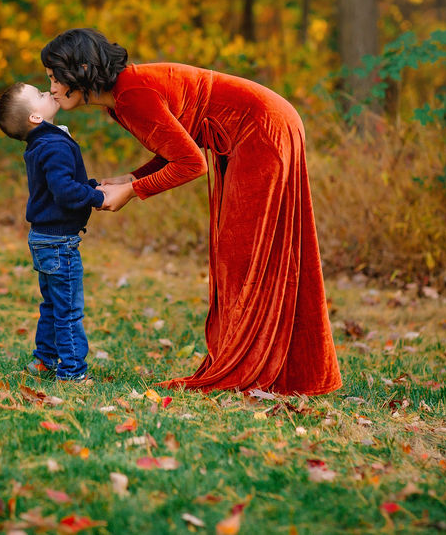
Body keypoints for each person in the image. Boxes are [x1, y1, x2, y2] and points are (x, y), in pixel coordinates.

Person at [40, 28, 342, 396]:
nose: (52, 87)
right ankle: (277, 367)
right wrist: (130, 177)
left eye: (56, 77)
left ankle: (253, 368)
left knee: (242, 255)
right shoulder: (123, 95)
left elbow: (191, 164)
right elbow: (177, 146)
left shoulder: (131, 95)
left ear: (82, 69)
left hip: (261, 129)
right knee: (251, 252)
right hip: (264, 125)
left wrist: (133, 191)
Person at [0, 82, 104, 383]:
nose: (49, 92)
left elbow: (61, 184)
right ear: (34, 118)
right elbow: (64, 191)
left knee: (53, 304)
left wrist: (92, 186)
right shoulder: (54, 145)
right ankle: (72, 372)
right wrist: (98, 198)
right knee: (67, 309)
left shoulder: (42, 143)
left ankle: (44, 361)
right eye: (41, 95)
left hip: (44, 238)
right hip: (59, 242)